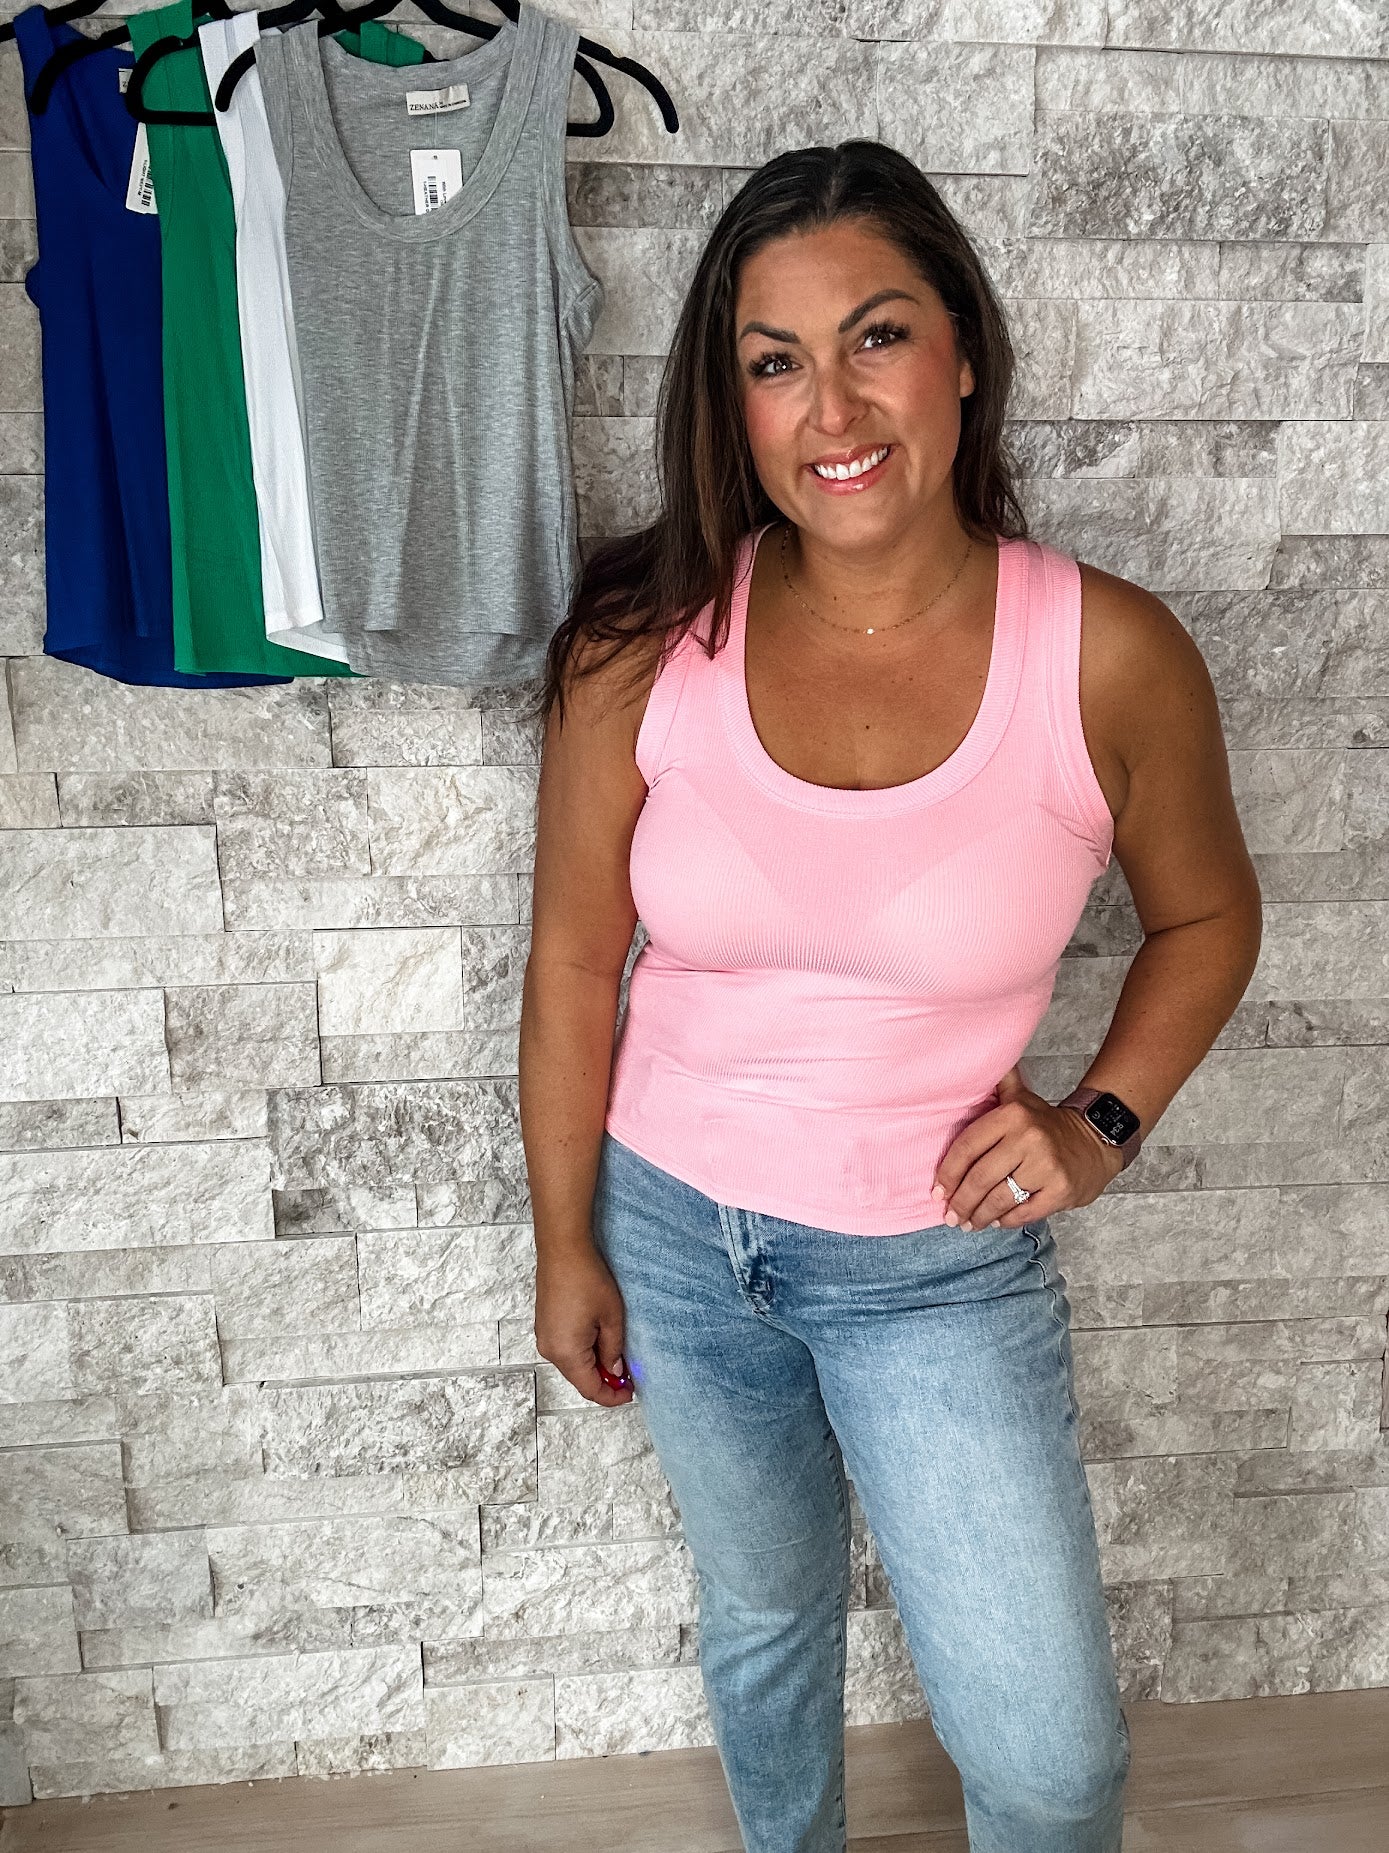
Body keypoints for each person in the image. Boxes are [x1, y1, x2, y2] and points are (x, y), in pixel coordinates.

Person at [518, 140, 1262, 1853]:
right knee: (764, 1616)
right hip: (669, 1228)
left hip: (933, 1262)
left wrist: (1097, 1125)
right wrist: (565, 1238)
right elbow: (568, 958)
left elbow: (1209, 916)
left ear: (961, 351)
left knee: (1048, 1760)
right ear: (731, 403)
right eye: (773, 360)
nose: (832, 408)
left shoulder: (1105, 654)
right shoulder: (641, 637)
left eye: (876, 336)